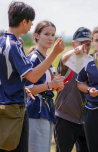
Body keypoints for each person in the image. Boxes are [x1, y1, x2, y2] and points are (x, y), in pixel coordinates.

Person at [0, 1, 65, 152]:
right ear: (24, 21)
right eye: (31, 22)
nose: (31, 26)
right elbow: (33, 77)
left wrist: (23, 87)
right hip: (13, 108)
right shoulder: (14, 45)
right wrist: (54, 53)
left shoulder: (2, 41)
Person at [25, 20, 65, 152]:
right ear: (36, 36)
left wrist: (55, 86)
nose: (50, 38)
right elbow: (27, 89)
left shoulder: (47, 57)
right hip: (36, 109)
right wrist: (50, 84)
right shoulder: (33, 58)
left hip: (47, 109)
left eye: (53, 35)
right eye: (46, 34)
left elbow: (46, 86)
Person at [54, 27, 91, 152]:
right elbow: (64, 59)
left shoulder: (92, 63)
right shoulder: (68, 59)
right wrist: (76, 51)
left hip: (87, 119)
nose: (84, 47)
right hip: (66, 117)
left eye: (88, 44)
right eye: (81, 43)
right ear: (74, 43)